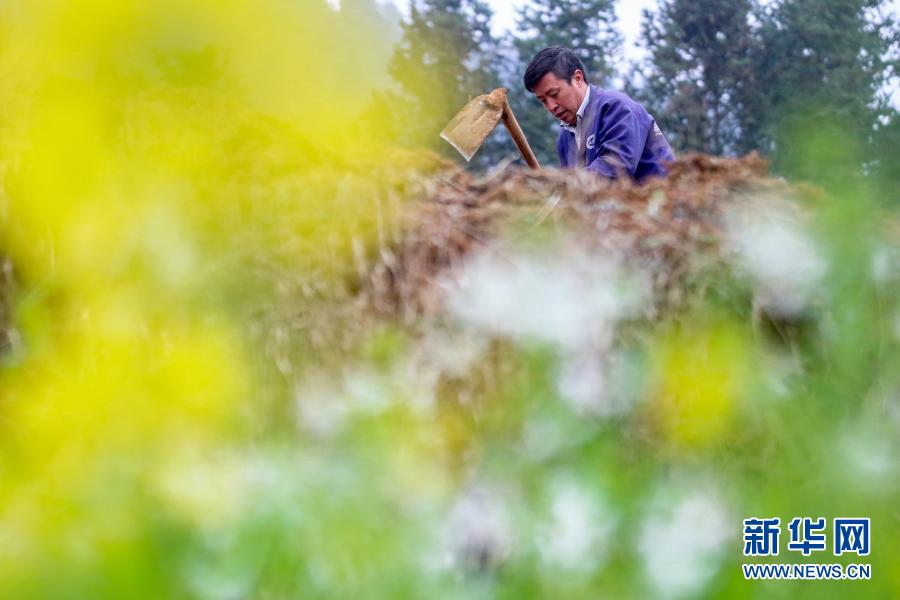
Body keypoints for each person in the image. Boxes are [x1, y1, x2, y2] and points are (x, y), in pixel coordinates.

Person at [523, 46, 674, 183]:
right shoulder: (564, 137)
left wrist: (563, 183)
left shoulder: (616, 108)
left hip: (664, 204)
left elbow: (616, 169)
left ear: (577, 79)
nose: (551, 106)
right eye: (543, 101)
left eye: (554, 94)